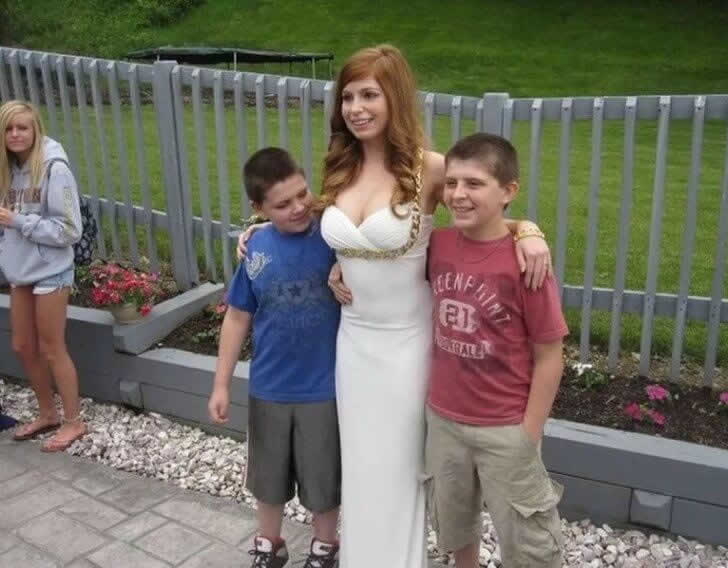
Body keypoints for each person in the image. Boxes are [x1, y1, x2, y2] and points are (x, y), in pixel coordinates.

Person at [238, 45, 551, 567]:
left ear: (395, 98)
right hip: (352, 344)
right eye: (348, 97)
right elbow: (303, 220)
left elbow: (481, 209)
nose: (356, 108)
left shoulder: (429, 169)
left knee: (400, 471)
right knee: (360, 467)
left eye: (369, 95)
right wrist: (255, 229)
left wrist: (529, 230)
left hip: (407, 347)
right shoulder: (340, 168)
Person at [425, 133, 567, 567]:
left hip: (506, 427)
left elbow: (550, 356)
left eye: (474, 183)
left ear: (508, 191)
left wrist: (529, 434)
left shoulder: (526, 265)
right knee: (453, 522)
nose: (458, 194)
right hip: (444, 420)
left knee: (527, 539)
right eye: (451, 183)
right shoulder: (437, 245)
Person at [208, 147, 341, 568]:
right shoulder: (256, 248)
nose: (298, 207)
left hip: (324, 388)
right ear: (259, 208)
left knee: (323, 480)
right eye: (282, 205)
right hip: (269, 387)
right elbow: (237, 317)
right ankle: (269, 545)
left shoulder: (332, 236)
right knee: (268, 480)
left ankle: (325, 548)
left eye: (302, 194)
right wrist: (221, 384)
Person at [0, 100, 85, 452]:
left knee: (52, 348)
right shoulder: (6, 168)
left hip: (52, 268)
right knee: (22, 345)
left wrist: (19, 221)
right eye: (8, 128)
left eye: (22, 127)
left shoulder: (54, 168)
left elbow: (70, 230)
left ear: (36, 129)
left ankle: (73, 421)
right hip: (20, 269)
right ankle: (47, 413)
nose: (15, 134)